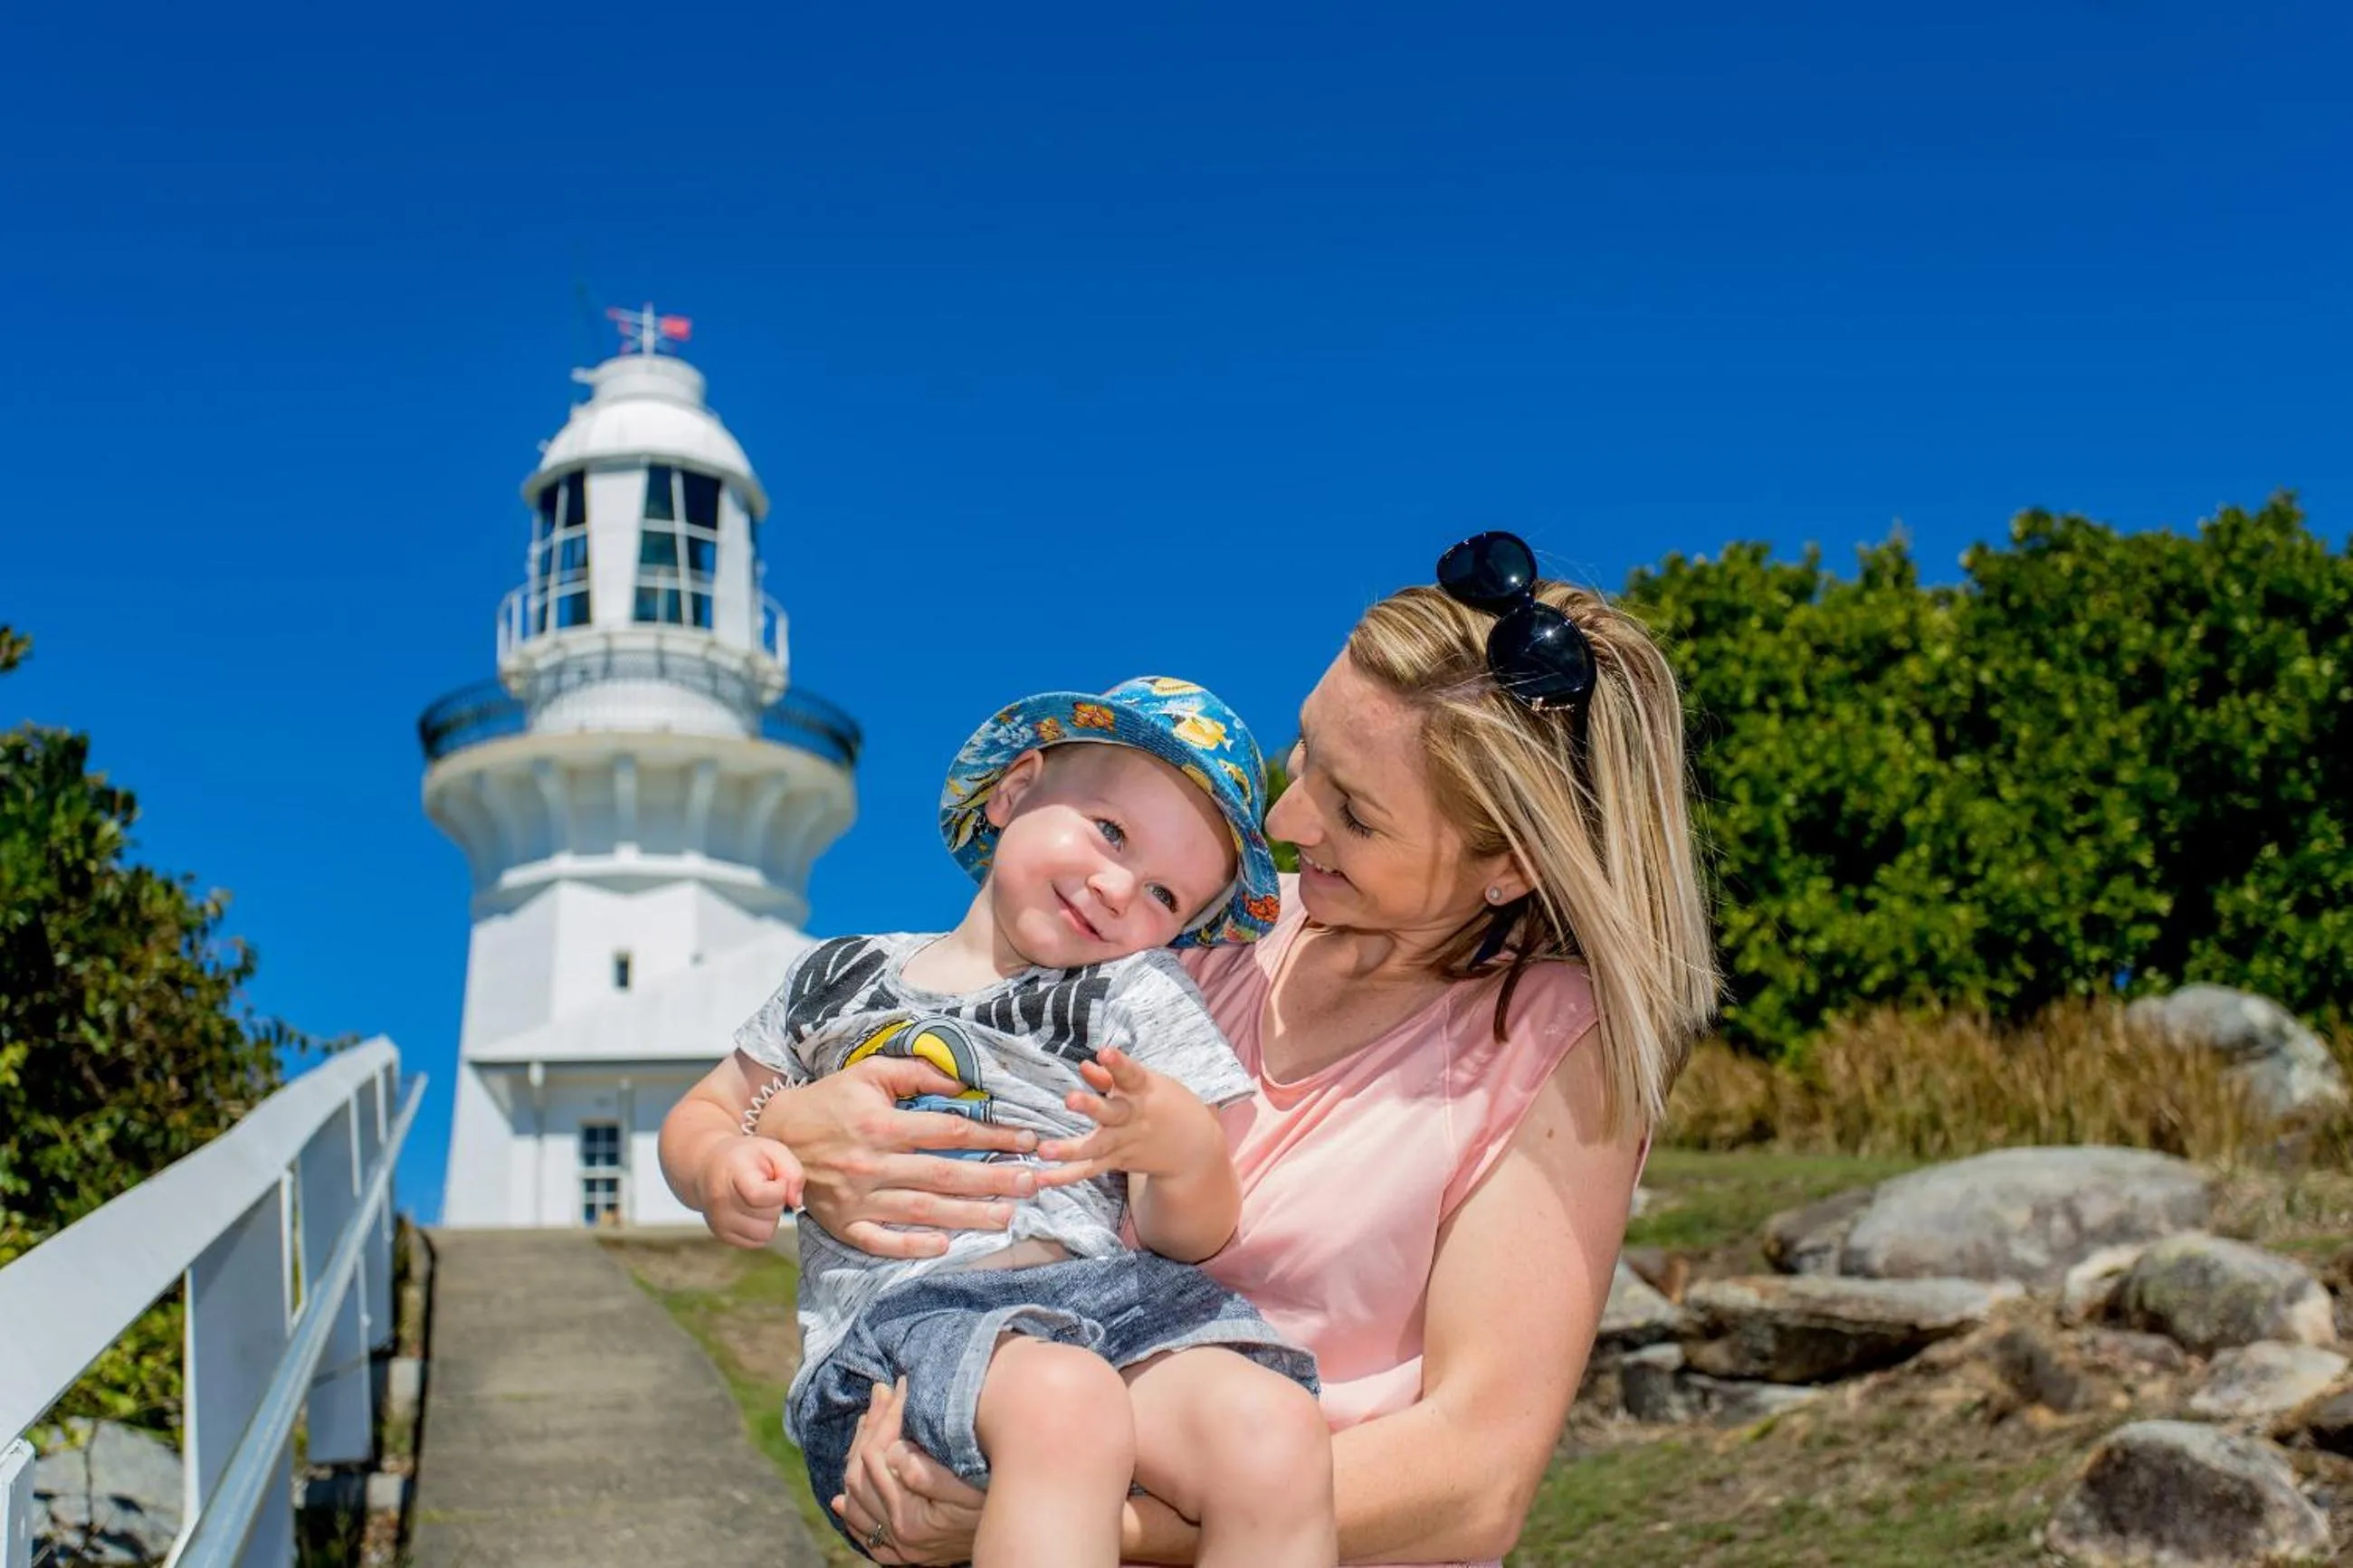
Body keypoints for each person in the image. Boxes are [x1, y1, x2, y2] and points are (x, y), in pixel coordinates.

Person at [727, 531, 1720, 1568]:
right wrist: (789, 1128)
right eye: (1305, 754)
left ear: (1508, 867)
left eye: (1354, 812)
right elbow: (934, 1040)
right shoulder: (1190, 927)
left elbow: (1474, 1481)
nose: (1285, 820)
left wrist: (1065, 1511)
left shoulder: (1561, 1044)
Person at [658, 677, 1333, 1568]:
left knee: (1272, 1427)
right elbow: (703, 1110)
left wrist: (1181, 1150)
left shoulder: (1140, 994)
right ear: (1015, 791)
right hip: (906, 1323)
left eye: (1164, 895)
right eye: (1110, 830)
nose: (1116, 885)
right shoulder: (843, 973)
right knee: (1065, 1400)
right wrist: (720, 1166)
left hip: (1115, 1304)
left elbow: (1194, 1230)